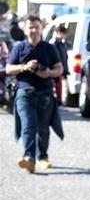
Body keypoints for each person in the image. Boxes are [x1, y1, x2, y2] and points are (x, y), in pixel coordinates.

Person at [6, 15, 64, 173]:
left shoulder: (49, 48)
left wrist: (48, 73)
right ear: (25, 30)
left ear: (41, 28)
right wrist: (24, 67)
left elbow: (59, 69)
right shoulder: (19, 47)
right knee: (28, 125)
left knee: (43, 127)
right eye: (30, 27)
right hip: (24, 92)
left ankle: (43, 157)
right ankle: (29, 158)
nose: (33, 30)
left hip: (44, 93)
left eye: (36, 27)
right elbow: (8, 69)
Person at [53, 25, 70, 105]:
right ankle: (58, 100)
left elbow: (65, 57)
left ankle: (59, 100)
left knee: (60, 86)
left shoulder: (62, 44)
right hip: (57, 69)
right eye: (63, 33)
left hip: (62, 68)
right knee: (57, 85)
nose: (65, 35)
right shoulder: (55, 44)